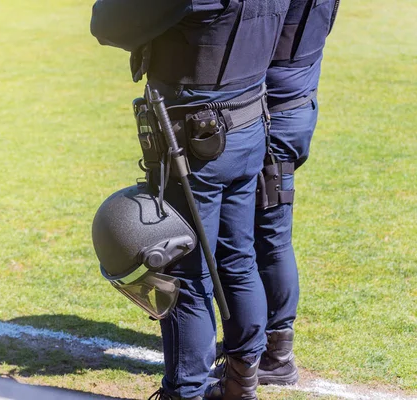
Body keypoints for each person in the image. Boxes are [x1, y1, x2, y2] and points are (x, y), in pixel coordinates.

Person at [90, 2, 289, 399]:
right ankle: (241, 383)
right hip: (249, 121)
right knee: (238, 259)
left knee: (185, 275)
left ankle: (185, 391)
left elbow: (107, 23)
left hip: (197, 141)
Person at [253, 0, 340, 386]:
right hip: (295, 107)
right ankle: (257, 343)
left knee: (270, 236)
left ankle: (277, 355)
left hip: (275, 115)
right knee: (261, 234)